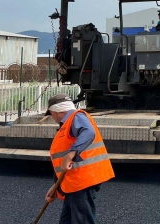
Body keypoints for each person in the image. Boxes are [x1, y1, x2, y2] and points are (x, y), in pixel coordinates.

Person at [45, 93, 115, 224]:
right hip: (72, 183)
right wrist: (56, 186)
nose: (53, 118)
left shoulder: (76, 117)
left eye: (51, 114)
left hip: (81, 183)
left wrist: (71, 154)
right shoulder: (67, 125)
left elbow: (88, 132)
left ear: (54, 111)